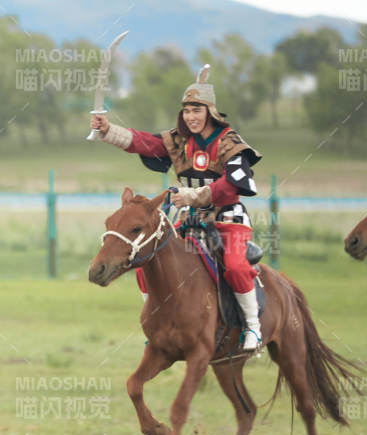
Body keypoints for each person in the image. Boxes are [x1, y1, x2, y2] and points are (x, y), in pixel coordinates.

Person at [90, 64, 263, 350]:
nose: (190, 117)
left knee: (234, 266)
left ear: (210, 112)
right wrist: (108, 131)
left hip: (228, 220)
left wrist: (194, 196)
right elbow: (145, 143)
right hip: (189, 222)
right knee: (143, 261)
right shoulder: (179, 141)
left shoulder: (230, 142)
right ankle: (156, 321)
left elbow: (232, 183)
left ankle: (253, 328)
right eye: (186, 111)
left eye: (197, 110)